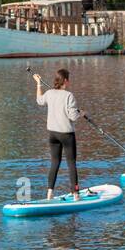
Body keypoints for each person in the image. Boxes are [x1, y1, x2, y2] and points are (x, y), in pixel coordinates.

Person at [34, 68, 81, 199]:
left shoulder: (49, 93)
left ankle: (49, 193)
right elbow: (73, 117)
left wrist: (38, 83)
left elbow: (39, 101)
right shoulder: (69, 96)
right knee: (71, 163)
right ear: (65, 80)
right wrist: (81, 113)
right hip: (66, 135)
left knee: (55, 162)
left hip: (53, 134)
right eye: (69, 79)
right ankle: (76, 194)